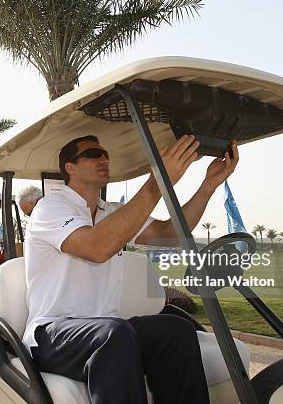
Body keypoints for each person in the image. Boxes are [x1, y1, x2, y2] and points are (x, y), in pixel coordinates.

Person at [24, 134, 239, 404]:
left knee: (176, 330)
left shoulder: (113, 211)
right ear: (70, 167)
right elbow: (96, 246)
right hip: (52, 334)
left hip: (104, 330)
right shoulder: (50, 207)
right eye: (92, 154)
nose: (103, 158)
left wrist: (208, 185)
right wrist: (158, 181)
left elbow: (169, 234)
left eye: (105, 154)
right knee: (114, 334)